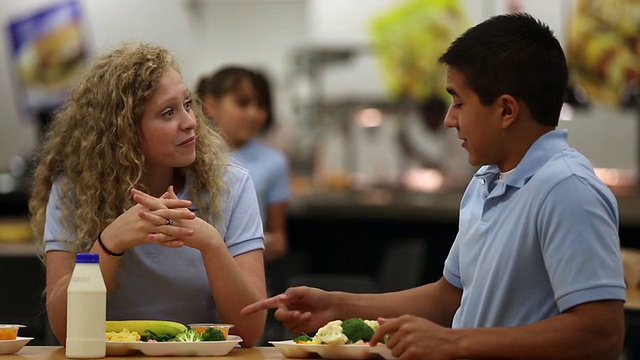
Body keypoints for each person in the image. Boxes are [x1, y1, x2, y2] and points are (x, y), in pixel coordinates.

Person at [241, 13, 627, 359]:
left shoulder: (567, 189)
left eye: (459, 103)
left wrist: (455, 343)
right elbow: (449, 297)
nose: (449, 119)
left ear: (506, 110)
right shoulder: (484, 182)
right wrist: (338, 305)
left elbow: (601, 334)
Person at [29, 42, 267, 347]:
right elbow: (67, 331)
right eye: (168, 113)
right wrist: (110, 242)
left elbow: (249, 332)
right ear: (123, 132)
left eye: (187, 104)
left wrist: (210, 243)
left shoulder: (230, 185)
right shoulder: (72, 191)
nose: (190, 122)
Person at [196, 67, 291, 264]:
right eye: (242, 103)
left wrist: (242, 246)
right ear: (211, 105)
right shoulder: (190, 156)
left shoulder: (274, 162)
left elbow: (278, 240)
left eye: (261, 105)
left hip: (244, 270)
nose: (253, 114)